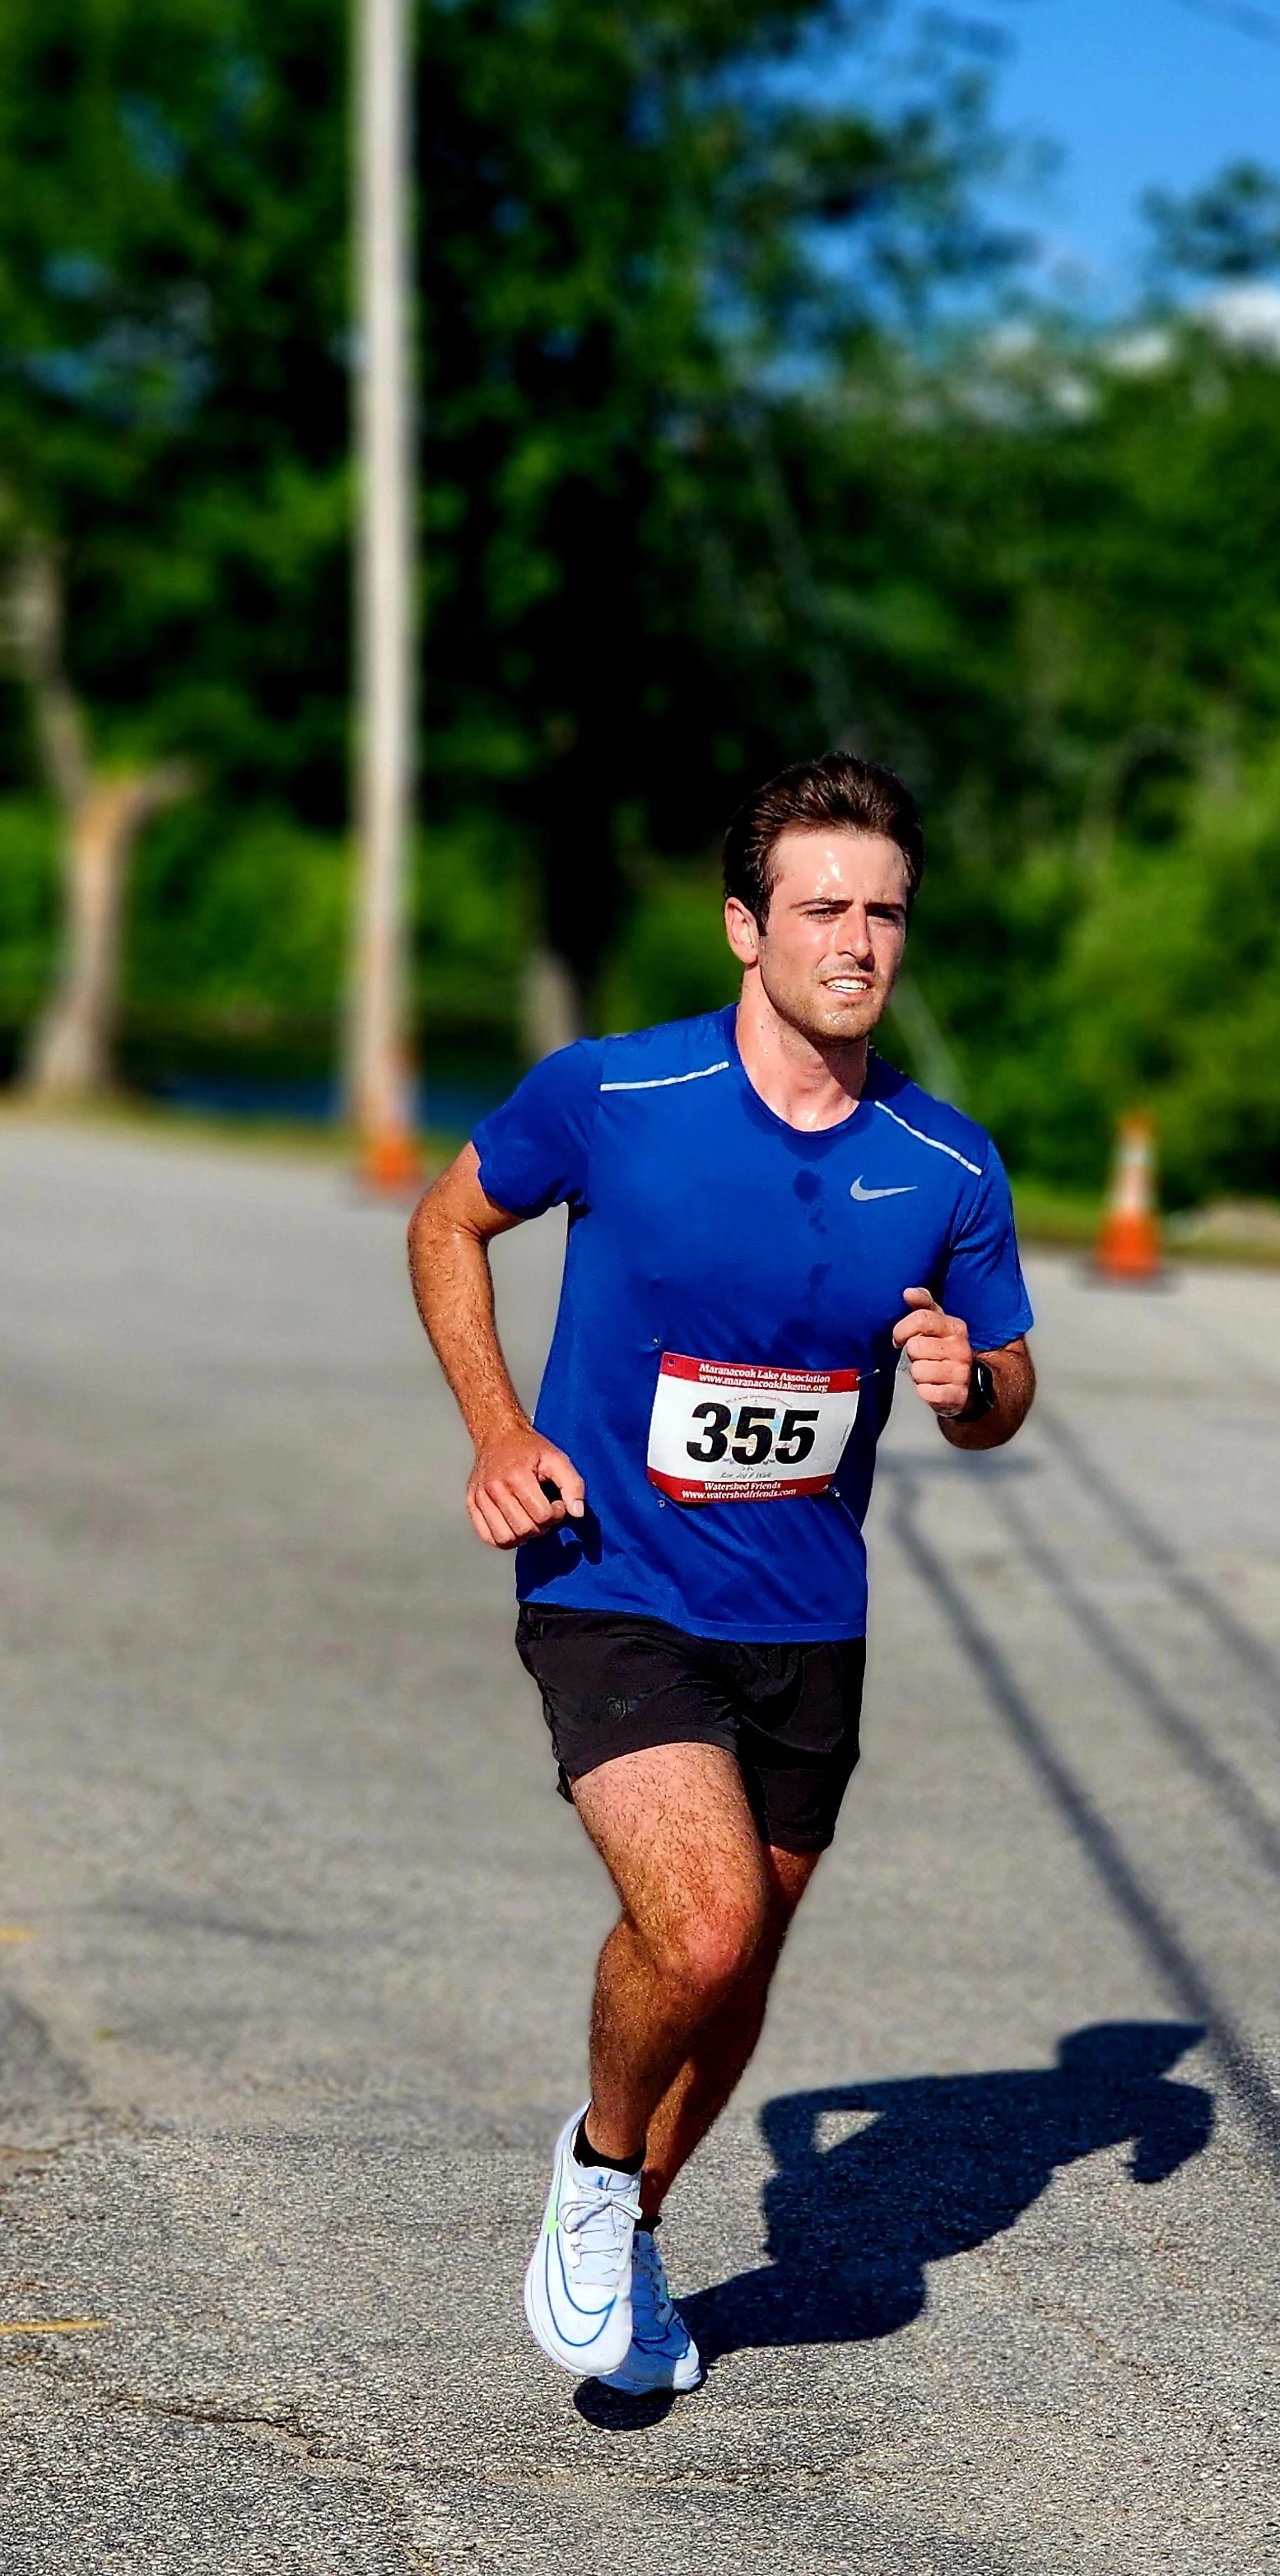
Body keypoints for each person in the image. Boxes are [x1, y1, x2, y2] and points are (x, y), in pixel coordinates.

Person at [407, 752, 1036, 2395]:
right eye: (823, 906)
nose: (859, 938)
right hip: (612, 1572)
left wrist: (973, 1384)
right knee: (699, 1927)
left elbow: (1001, 1391)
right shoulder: (615, 1094)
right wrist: (492, 1427)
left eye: (885, 910)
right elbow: (443, 1223)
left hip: (808, 1615)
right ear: (745, 926)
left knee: (741, 1968)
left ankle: (630, 2240)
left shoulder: (946, 1162)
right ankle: (600, 2166)